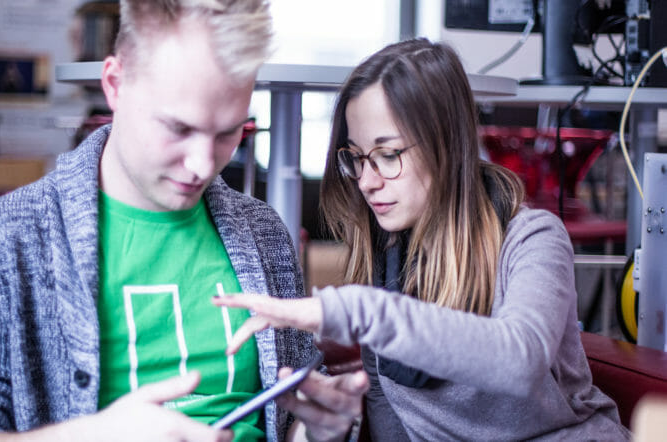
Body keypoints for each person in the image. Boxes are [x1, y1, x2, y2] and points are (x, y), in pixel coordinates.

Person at [0, 1, 367, 441]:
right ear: (115, 84)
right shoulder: (5, 237)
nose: (202, 164)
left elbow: (288, 421)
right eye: (178, 128)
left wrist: (320, 430)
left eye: (229, 132)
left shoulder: (262, 233)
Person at [213, 38, 631, 441]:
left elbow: (520, 362)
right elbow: (392, 416)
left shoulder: (533, 239)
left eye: (388, 155)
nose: (366, 181)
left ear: (445, 148)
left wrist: (356, 310)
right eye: (356, 158)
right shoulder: (384, 253)